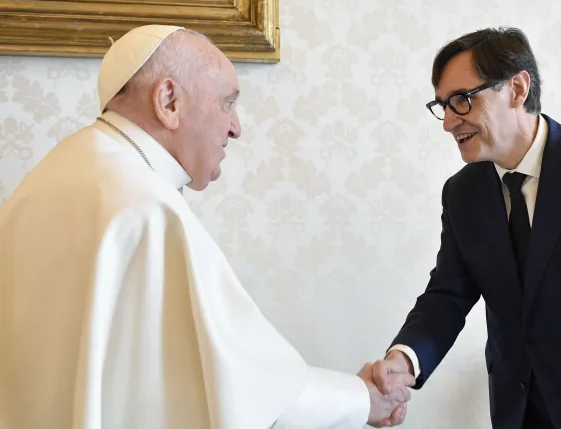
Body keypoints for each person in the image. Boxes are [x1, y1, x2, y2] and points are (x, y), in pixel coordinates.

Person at [0, 25, 414, 429]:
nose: (236, 127)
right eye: (227, 103)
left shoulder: (53, 174)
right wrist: (364, 399)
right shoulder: (148, 209)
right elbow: (248, 391)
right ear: (168, 101)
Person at [371, 27, 561, 428]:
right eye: (442, 105)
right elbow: (446, 296)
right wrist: (404, 360)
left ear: (516, 89)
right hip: (521, 416)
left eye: (462, 100)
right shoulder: (463, 194)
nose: (448, 122)